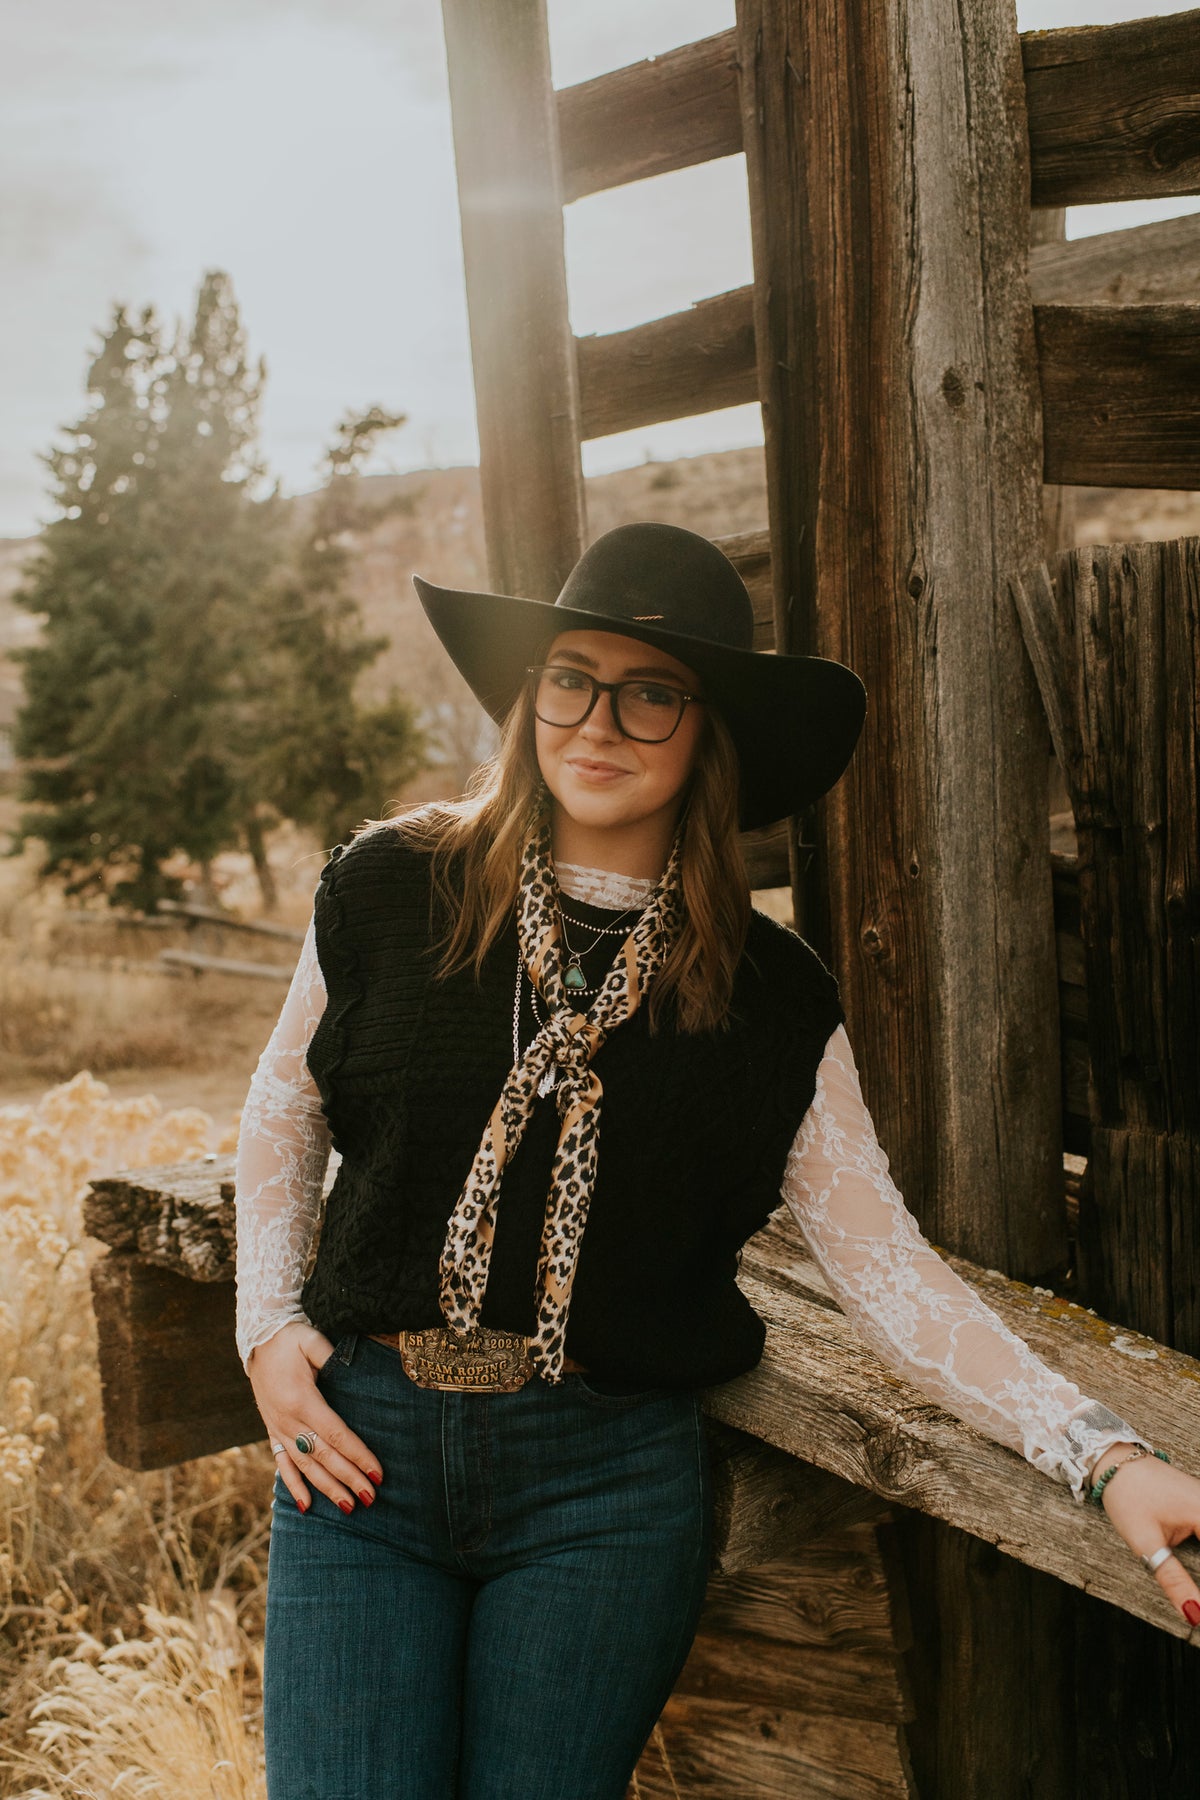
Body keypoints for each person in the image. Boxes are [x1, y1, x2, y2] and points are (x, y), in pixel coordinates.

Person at [235, 523, 1200, 1800]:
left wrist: (1106, 1457)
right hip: (364, 1460)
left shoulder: (771, 999)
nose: (600, 722)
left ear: (707, 732)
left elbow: (889, 1274)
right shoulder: (390, 886)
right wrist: (266, 1325)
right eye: (572, 676)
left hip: (603, 1500)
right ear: (532, 695)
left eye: (653, 694)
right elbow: (280, 1112)